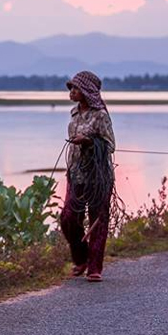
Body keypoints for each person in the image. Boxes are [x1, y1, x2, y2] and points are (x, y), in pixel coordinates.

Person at [60, 70, 116, 282]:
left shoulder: (101, 115)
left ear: (86, 91)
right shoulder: (74, 113)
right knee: (68, 217)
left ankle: (94, 267)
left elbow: (110, 145)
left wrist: (90, 142)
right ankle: (81, 257)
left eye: (75, 88)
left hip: (98, 176)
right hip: (76, 174)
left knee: (98, 220)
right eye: (71, 88)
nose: (71, 92)